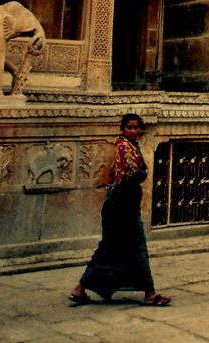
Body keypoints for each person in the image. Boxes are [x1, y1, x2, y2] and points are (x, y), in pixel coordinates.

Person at [69, 113, 171, 307]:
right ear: (123, 129)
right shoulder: (124, 147)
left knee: (113, 248)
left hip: (124, 203)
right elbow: (136, 172)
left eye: (136, 127)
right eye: (129, 127)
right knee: (134, 246)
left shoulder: (130, 146)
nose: (133, 131)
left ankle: (81, 288)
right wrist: (143, 172)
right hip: (121, 204)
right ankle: (150, 293)